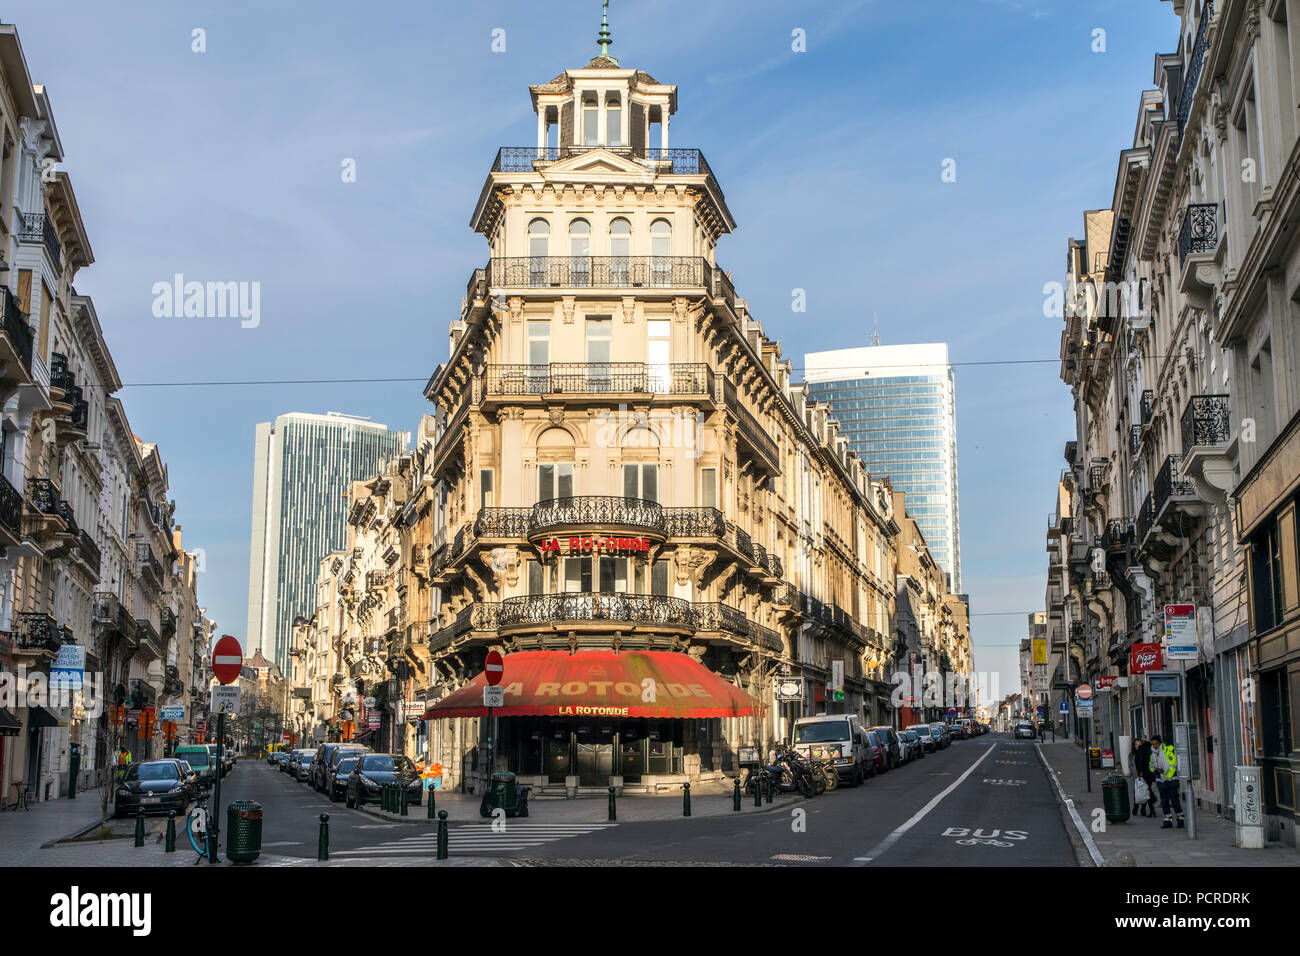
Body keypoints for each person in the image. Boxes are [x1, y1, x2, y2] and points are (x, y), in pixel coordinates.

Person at [1150, 734, 1183, 829]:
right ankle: (1167, 820)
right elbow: (1152, 766)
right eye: (1153, 744)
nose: (1155, 746)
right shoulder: (1153, 754)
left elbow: (1172, 764)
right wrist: (1156, 770)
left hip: (1171, 780)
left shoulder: (1168, 751)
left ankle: (1180, 818)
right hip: (1161, 781)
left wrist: (1164, 771)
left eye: (1156, 744)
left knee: (1174, 800)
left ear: (1160, 743)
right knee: (1164, 801)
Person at [1132, 737, 1158, 817]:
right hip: (1149, 773)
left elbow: (1141, 762)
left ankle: (1147, 809)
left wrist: (1140, 774)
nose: (1137, 746)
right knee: (1147, 791)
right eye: (1135, 744)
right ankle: (1150, 809)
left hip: (1145, 774)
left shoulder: (1141, 749)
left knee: (1145, 791)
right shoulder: (1148, 748)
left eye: (1138, 744)